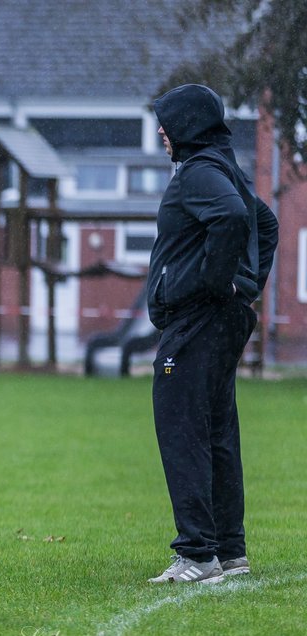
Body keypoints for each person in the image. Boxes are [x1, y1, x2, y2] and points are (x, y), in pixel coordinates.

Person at [146, 84, 278, 584]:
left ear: (187, 126)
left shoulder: (200, 172)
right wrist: (246, 285)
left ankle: (197, 554)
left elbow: (235, 218)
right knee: (217, 430)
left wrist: (214, 281)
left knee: (181, 428)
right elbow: (265, 226)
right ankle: (229, 551)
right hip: (221, 318)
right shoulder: (223, 169)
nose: (161, 130)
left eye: (167, 120)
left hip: (198, 320)